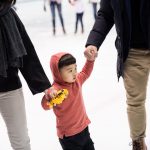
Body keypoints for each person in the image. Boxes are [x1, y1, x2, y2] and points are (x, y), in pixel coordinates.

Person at [84, 0, 150, 149]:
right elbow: (106, 14)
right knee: (135, 101)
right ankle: (138, 142)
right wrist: (93, 42)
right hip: (133, 51)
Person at [0, 1, 56, 150]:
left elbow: (27, 52)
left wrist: (44, 86)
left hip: (9, 87)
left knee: (21, 143)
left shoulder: (8, 14)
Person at [41, 52, 96, 150]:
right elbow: (45, 106)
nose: (75, 73)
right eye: (70, 71)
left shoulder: (77, 81)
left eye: (75, 68)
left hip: (84, 129)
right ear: (58, 73)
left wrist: (90, 60)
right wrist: (48, 95)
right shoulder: (56, 90)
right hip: (69, 137)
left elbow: (85, 72)